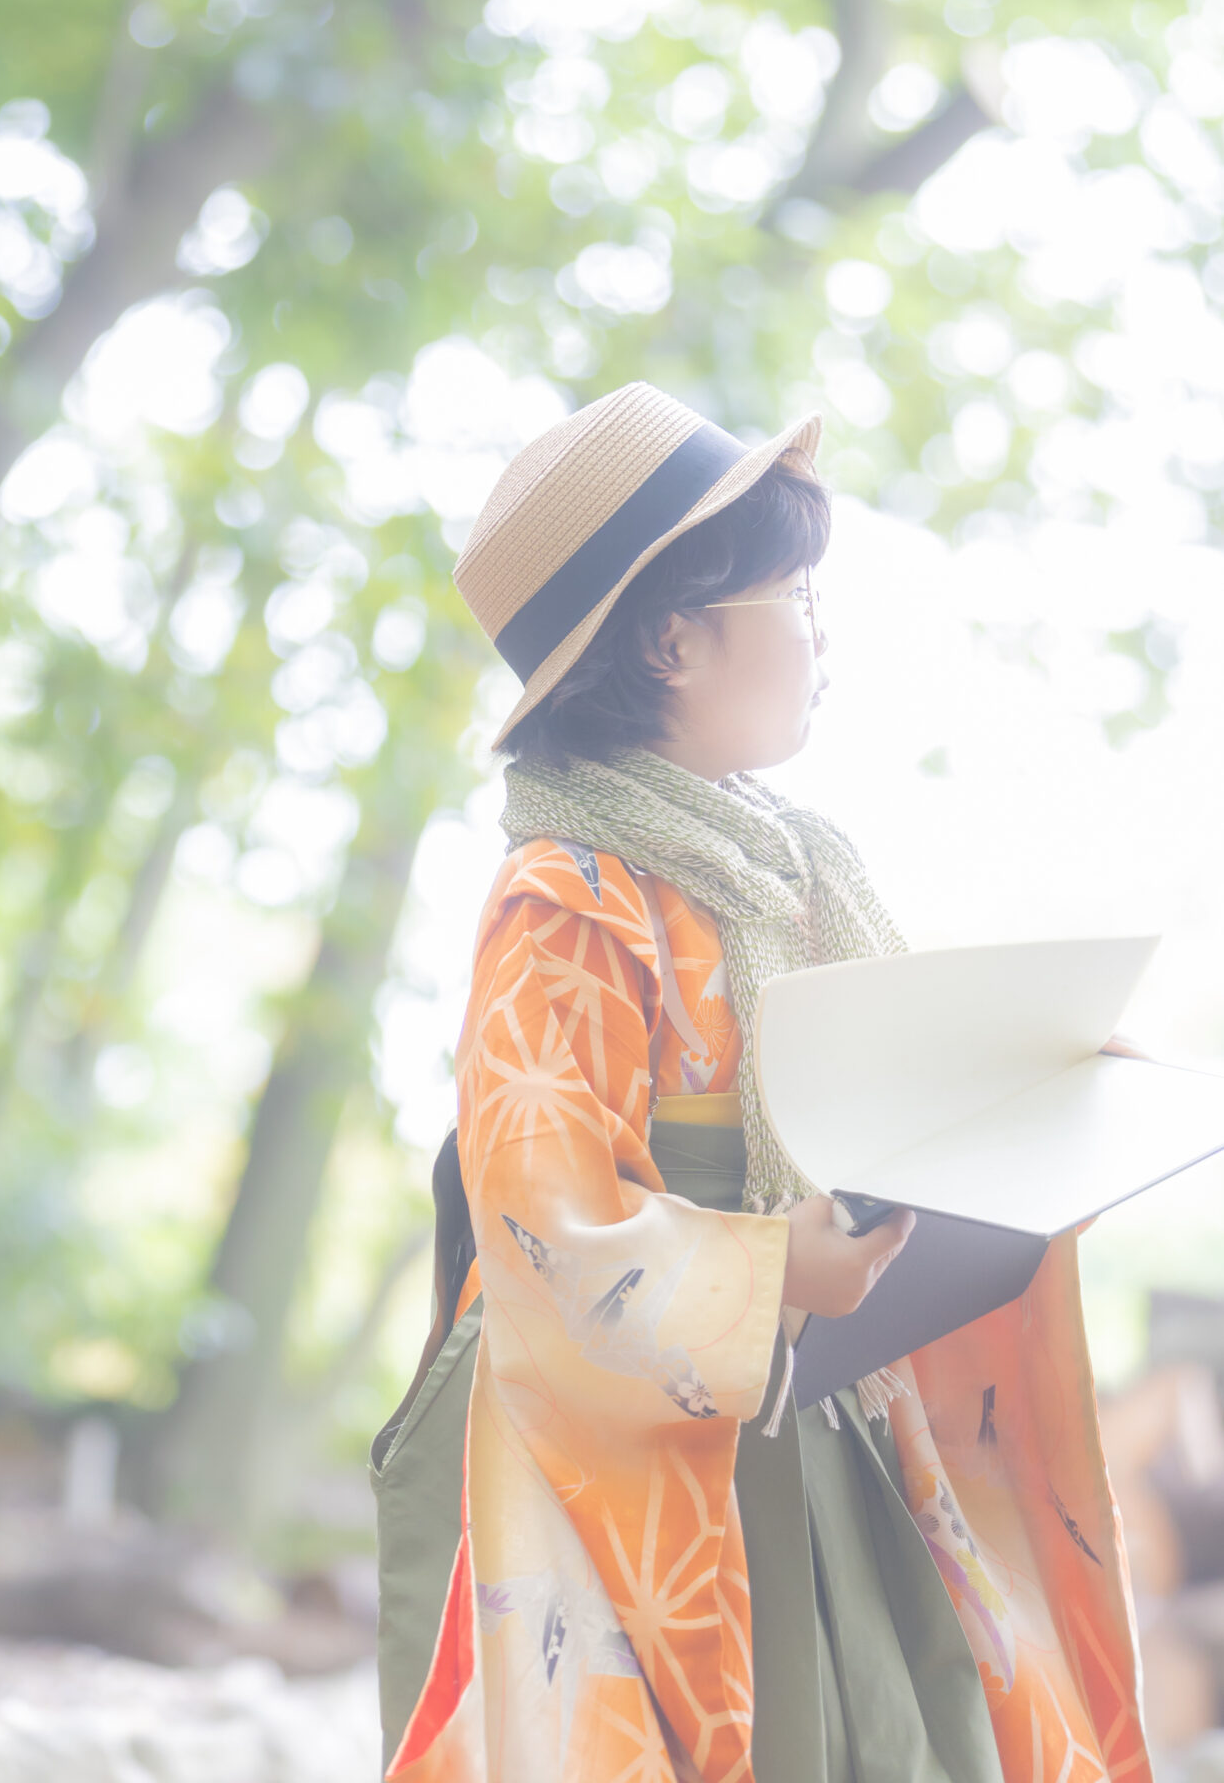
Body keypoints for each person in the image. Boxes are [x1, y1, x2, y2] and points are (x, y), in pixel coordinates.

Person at [373, 383, 1148, 1783]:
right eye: (795, 595)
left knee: (904, 1718)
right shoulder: (568, 898)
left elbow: (902, 1062)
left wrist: (1052, 1081)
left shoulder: (796, 869)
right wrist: (766, 1267)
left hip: (831, 1398)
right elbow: (543, 1220)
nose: (820, 634)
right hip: (662, 1431)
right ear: (674, 640)